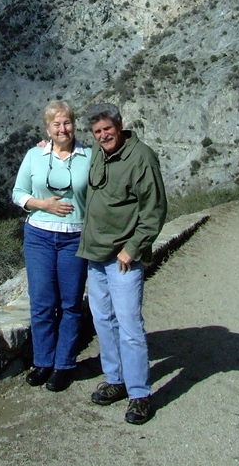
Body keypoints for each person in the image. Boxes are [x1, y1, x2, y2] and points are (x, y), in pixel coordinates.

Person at [77, 102, 167, 425]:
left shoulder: (141, 158)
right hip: (95, 256)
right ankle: (115, 380)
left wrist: (131, 250)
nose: (103, 136)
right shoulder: (98, 153)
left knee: (130, 327)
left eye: (107, 130)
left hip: (122, 259)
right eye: (97, 132)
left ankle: (140, 394)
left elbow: (154, 210)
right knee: (103, 322)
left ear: (119, 125)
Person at [12, 100, 91, 392]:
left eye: (67, 122)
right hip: (39, 237)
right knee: (43, 301)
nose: (63, 129)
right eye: (56, 124)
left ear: (74, 125)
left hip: (74, 236)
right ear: (47, 128)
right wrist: (41, 204)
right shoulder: (34, 155)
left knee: (70, 303)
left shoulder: (89, 157)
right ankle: (43, 362)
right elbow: (17, 193)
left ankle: (64, 365)